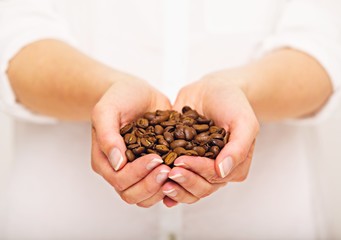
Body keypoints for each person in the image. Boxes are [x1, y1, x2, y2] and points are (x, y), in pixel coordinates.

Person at [0, 0, 340, 239]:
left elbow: (326, 41)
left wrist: (241, 90)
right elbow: (14, 33)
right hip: (63, 217)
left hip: (265, 219)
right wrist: (105, 92)